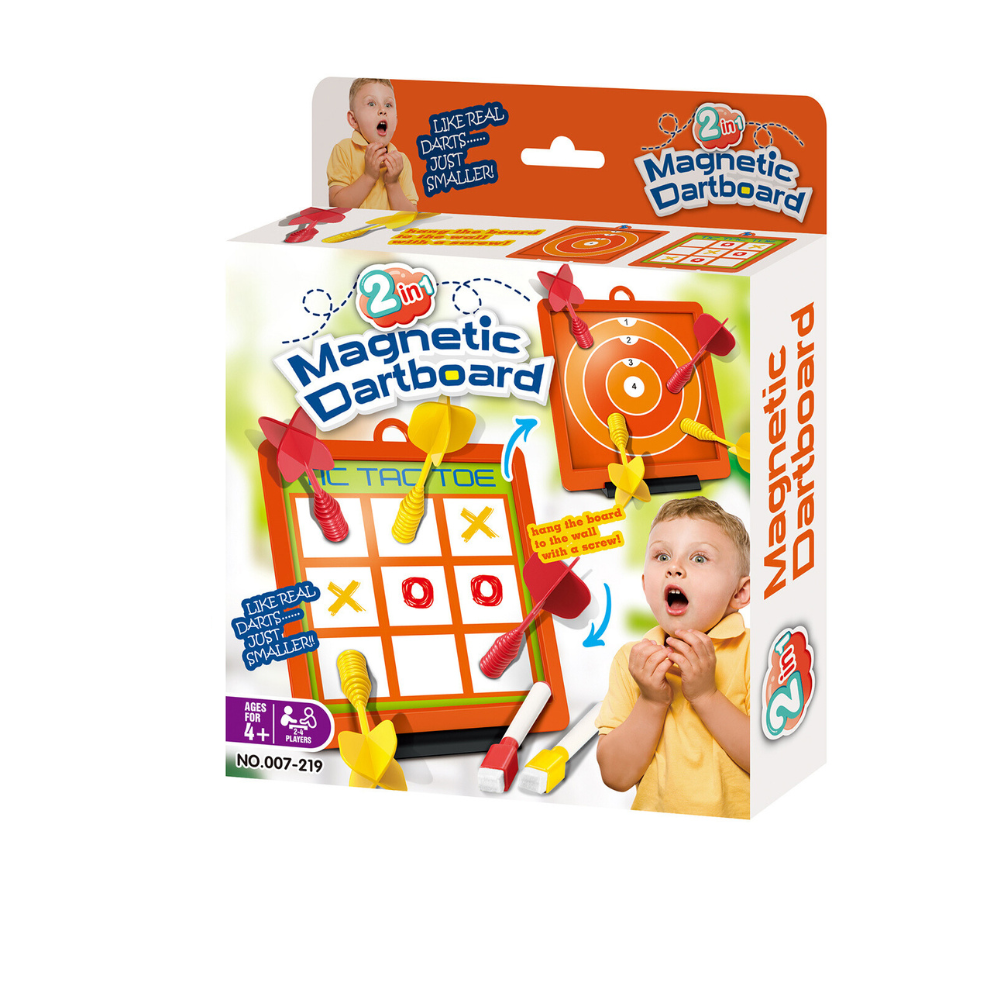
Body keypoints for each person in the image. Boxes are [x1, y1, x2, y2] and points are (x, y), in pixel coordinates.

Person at [596, 496, 751, 818]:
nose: (674, 567)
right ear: (645, 585)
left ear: (739, 593)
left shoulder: (757, 650)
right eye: (662, 556)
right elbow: (615, 776)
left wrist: (706, 695)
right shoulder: (631, 660)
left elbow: (777, 763)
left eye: (699, 558)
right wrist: (651, 701)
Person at [327, 78, 418, 211]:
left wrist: (393, 183)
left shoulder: (401, 161)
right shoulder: (344, 150)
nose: (382, 110)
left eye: (388, 105)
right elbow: (336, 206)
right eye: (371, 104)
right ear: (354, 120)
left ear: (396, 120)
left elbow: (412, 216)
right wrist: (368, 176)